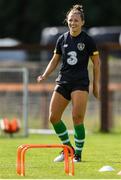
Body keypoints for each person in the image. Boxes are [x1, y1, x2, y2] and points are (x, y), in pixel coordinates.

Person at [37, 4, 100, 162]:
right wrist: (45, 74)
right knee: (53, 117)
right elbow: (55, 59)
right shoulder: (62, 39)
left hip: (80, 83)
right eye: (70, 20)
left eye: (76, 20)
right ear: (67, 21)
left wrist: (95, 85)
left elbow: (97, 63)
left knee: (77, 117)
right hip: (63, 81)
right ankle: (68, 149)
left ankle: (78, 155)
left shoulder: (88, 40)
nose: (73, 23)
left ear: (82, 22)